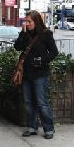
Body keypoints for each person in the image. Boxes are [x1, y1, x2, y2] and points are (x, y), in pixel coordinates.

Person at [14, 10, 59, 139]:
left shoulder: (46, 35)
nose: (27, 24)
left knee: (41, 102)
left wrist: (42, 60)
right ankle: (32, 127)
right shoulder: (26, 35)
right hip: (26, 74)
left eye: (29, 22)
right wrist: (22, 33)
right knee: (29, 102)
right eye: (26, 21)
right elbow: (17, 47)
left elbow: (54, 52)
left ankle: (49, 129)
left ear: (36, 21)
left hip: (40, 74)